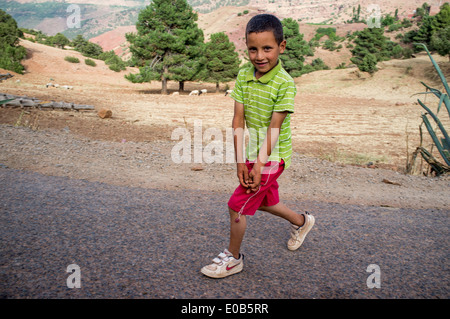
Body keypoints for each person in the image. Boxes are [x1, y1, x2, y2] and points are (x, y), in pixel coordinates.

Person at [201, 14, 315, 279]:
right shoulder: (243, 74)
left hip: (273, 155)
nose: (259, 56)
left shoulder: (285, 84)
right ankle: (302, 221)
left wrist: (259, 164)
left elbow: (274, 129)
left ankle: (233, 258)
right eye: (253, 49)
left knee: (237, 204)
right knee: (263, 201)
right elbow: (238, 119)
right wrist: (240, 162)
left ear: (282, 46)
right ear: (246, 47)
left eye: (267, 48)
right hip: (253, 153)